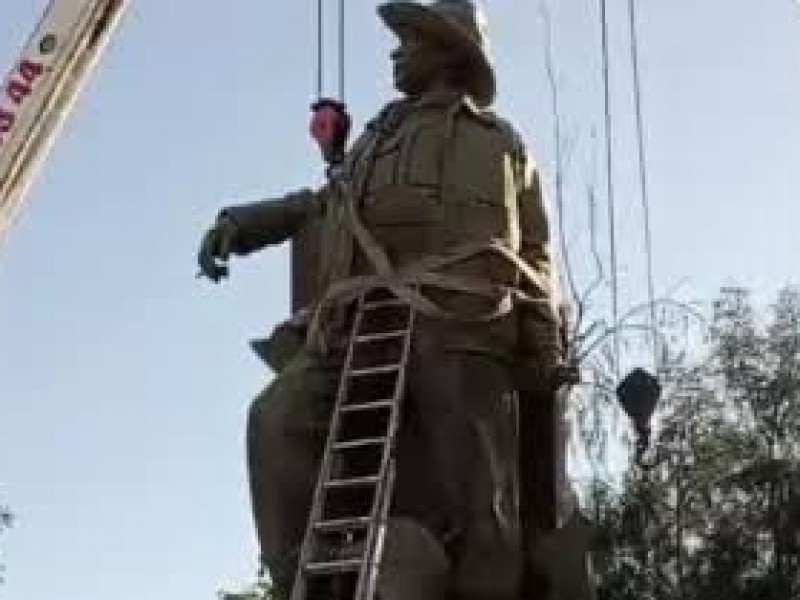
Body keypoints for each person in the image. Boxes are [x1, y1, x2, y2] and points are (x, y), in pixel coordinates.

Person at [198, 2, 565, 598]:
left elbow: (539, 253)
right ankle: (306, 582)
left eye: (409, 40)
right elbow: (322, 204)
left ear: (448, 53)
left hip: (464, 327)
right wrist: (241, 225)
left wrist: (544, 337)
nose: (395, 51)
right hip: (361, 329)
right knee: (274, 419)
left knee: (483, 499)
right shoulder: (374, 139)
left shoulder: (501, 145)